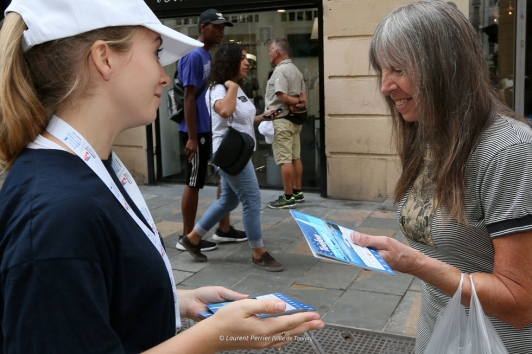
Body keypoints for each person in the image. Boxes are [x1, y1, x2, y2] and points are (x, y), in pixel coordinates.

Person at [0, 0, 324, 352]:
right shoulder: (55, 215)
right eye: (155, 53)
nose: (164, 75)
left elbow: (99, 288)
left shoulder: (87, 172)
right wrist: (214, 337)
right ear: (104, 58)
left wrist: (177, 298)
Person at [349, 2, 532, 353]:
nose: (385, 87)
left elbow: (519, 302)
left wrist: (415, 263)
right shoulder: (429, 136)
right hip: (439, 334)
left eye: (398, 69)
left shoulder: (509, 150)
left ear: (445, 70)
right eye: (382, 71)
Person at [179, 43, 284, 272]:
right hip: (229, 154)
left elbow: (240, 118)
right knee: (252, 200)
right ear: (230, 61)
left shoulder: (234, 88)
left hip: (237, 151)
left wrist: (262, 117)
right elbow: (224, 112)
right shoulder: (218, 88)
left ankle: (193, 238)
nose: (248, 62)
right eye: (243, 58)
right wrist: (233, 86)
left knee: (229, 200)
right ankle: (259, 253)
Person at [176, 9, 246, 254]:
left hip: (207, 129)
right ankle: (186, 236)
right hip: (195, 131)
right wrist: (193, 137)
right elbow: (188, 96)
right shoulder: (194, 56)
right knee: (193, 182)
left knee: (223, 175)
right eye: (217, 26)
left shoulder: (206, 54)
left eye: (223, 27)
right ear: (203, 27)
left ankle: (224, 228)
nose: (221, 31)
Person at [265, 39, 307, 209]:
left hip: (282, 120)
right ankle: (298, 191)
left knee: (285, 160)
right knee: (295, 157)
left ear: (276, 52)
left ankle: (288, 196)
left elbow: (281, 96)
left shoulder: (280, 71)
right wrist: (297, 102)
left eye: (270, 50)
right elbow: (303, 98)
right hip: (295, 121)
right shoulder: (296, 70)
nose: (269, 53)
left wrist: (292, 100)